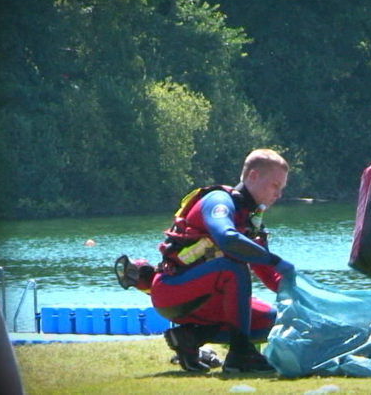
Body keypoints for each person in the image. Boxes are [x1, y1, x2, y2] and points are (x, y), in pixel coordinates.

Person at [116, 149, 294, 374]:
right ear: (253, 176)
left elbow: (268, 273)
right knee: (233, 268)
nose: (278, 194)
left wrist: (297, 288)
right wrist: (275, 260)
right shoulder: (219, 200)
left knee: (268, 319)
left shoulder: (251, 220)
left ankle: (191, 337)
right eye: (275, 185)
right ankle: (239, 356)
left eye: (281, 188)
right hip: (171, 291)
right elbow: (227, 238)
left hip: (206, 299)